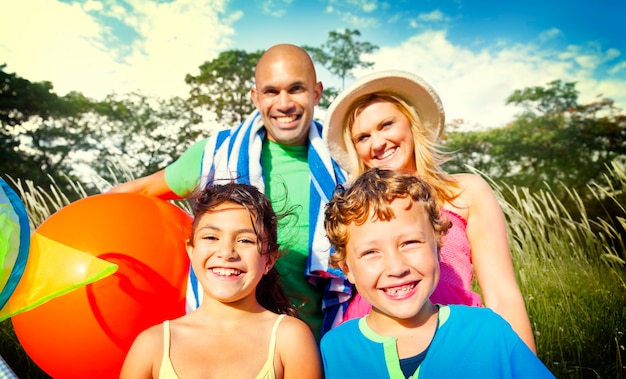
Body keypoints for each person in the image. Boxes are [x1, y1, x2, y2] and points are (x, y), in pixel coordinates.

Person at [109, 44, 349, 339]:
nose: (284, 103)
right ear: (255, 97)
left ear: (316, 93)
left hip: (318, 340)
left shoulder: (343, 160)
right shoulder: (216, 154)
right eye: (271, 92)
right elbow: (137, 192)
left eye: (296, 89)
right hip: (227, 343)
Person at [323, 69, 536, 352]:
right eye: (363, 137)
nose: (377, 143)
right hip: (374, 342)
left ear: (411, 124)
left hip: (456, 337)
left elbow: (502, 293)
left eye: (386, 125)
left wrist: (523, 366)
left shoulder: (464, 192)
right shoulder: (353, 208)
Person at [321, 168, 554, 378]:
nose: (396, 268)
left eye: (410, 243)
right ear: (347, 270)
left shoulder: (489, 331)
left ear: (438, 246)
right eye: (371, 252)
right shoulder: (334, 349)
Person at [120, 182, 322, 379]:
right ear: (191, 250)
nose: (226, 253)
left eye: (245, 240)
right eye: (210, 237)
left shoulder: (290, 339)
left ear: (269, 259)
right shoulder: (153, 345)